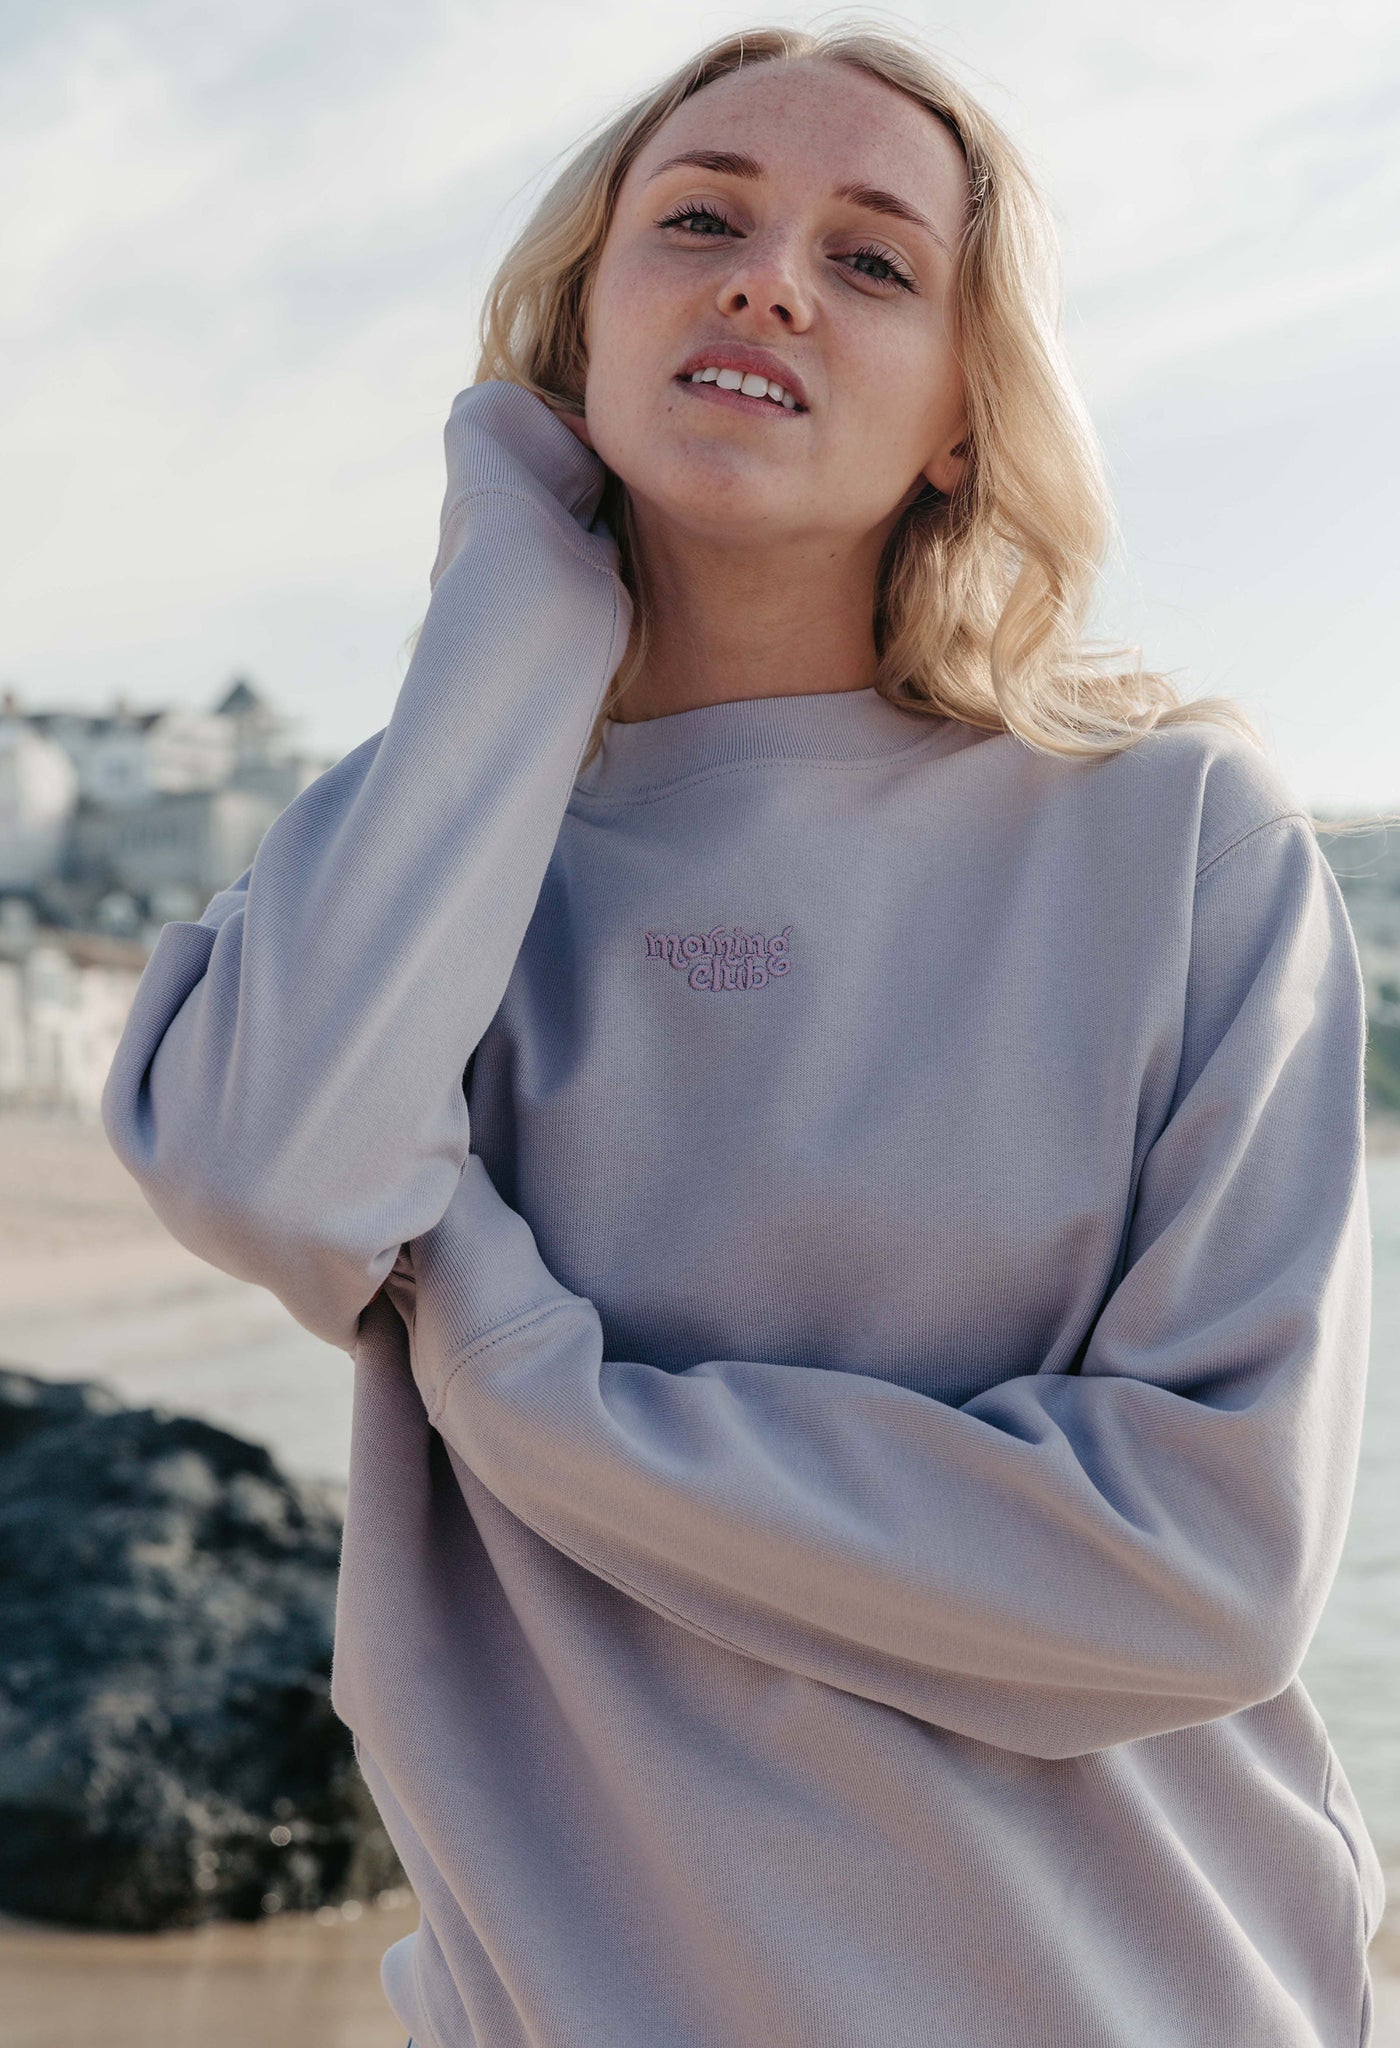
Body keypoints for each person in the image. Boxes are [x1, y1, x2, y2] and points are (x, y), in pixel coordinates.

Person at [101, 22, 1389, 2048]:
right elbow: (267, 1172)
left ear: (965, 418)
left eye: (872, 261)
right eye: (695, 219)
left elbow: (1203, 1571)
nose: (766, 275)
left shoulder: (1171, 837)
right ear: (579, 324)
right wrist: (517, 602)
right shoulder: (430, 839)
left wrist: (543, 1402)